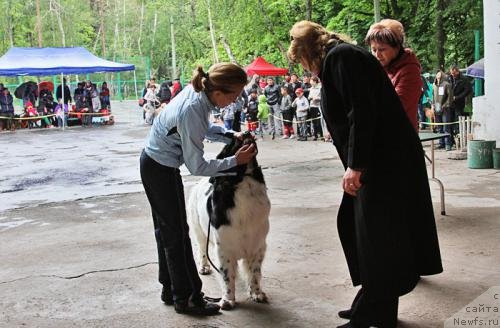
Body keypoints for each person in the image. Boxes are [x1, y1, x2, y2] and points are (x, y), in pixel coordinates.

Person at [288, 20, 442, 328]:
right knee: (373, 237)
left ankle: (375, 310)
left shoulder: (341, 58)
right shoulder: (340, 58)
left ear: (308, 53)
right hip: (381, 160)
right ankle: (373, 306)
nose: (306, 70)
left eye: (303, 63)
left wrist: (355, 166)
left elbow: (362, 111)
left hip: (383, 162)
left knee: (379, 238)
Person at [140, 62, 257, 316]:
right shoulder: (194, 107)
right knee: (177, 235)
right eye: (234, 95)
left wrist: (229, 135)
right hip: (160, 168)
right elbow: (197, 166)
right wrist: (235, 161)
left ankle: (170, 289)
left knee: (167, 232)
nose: (234, 102)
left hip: (154, 163)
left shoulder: (199, 95)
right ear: (218, 92)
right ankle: (188, 297)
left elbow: (201, 129)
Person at [365, 19, 422, 131]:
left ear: (396, 47)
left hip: (401, 138)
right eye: (373, 49)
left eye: (382, 49)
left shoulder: (410, 70)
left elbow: (394, 107)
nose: (377, 54)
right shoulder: (379, 68)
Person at [432, 71, 454, 150]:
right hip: (436, 108)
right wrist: (433, 105)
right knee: (439, 127)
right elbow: (433, 96)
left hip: (445, 109)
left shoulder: (447, 84)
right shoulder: (434, 85)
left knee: (446, 127)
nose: (438, 75)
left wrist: (445, 105)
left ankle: (448, 144)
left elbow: (450, 97)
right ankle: (441, 143)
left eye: (440, 74)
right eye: (437, 74)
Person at [308, 76, 323, 140]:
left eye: (311, 81)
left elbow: (322, 98)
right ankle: (315, 135)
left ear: (314, 81)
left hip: (318, 106)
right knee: (313, 122)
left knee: (319, 121)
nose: (310, 82)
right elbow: (309, 97)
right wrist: (311, 98)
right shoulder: (311, 89)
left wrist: (317, 98)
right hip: (312, 106)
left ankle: (322, 135)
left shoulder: (320, 88)